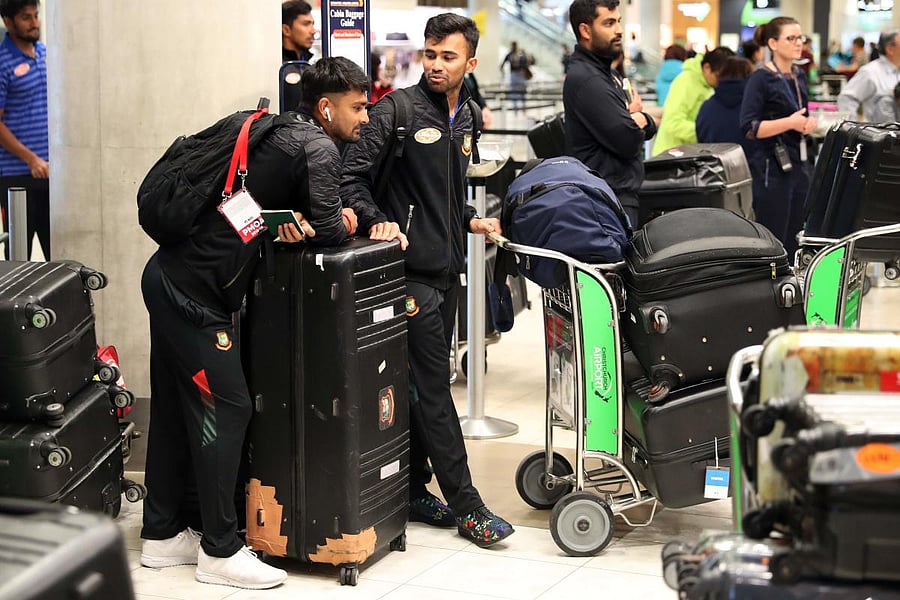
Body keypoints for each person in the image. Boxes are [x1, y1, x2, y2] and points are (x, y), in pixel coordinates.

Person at [139, 57, 367, 590]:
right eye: (358, 108)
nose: (364, 120)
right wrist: (335, 223)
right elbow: (334, 228)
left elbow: (251, 211)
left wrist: (288, 227)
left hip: (171, 279)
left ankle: (161, 535)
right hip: (193, 299)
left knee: (176, 408)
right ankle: (219, 548)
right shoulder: (318, 148)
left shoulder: (270, 129)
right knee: (230, 406)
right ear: (326, 106)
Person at [340, 13, 514, 549]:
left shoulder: (468, 117)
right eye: (431, 54)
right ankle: (468, 507)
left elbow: (445, 191)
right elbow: (351, 178)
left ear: (470, 62)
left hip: (448, 271)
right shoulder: (396, 109)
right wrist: (376, 221)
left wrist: (469, 219)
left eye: (448, 57)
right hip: (406, 276)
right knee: (437, 391)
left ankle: (414, 488)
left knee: (423, 389)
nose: (437, 65)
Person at [563, 0, 657, 226]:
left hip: (613, 196)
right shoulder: (589, 79)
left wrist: (638, 121)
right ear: (585, 30)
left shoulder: (602, 73)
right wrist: (642, 119)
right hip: (605, 202)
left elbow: (631, 128)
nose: (619, 30)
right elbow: (628, 139)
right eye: (609, 23)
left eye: (619, 22)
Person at [739, 17, 816, 259]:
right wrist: (790, 123)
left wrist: (808, 123)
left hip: (800, 164)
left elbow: (803, 112)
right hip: (771, 166)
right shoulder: (760, 78)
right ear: (773, 43)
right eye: (790, 38)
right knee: (774, 235)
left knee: (796, 232)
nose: (797, 44)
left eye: (800, 38)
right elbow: (750, 127)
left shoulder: (799, 75)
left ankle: (794, 287)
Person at [0, 0, 48, 260]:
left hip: (51, 174)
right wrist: (31, 159)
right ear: (8, 21)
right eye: (26, 18)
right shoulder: (2, 62)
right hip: (17, 177)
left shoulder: (45, 53)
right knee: (19, 259)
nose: (34, 23)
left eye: (36, 15)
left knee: (58, 254)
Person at [652, 46, 735, 155]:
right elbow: (673, 122)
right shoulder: (686, 81)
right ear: (707, 68)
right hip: (672, 156)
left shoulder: (707, 85)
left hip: (689, 153)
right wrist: (705, 132)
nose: (720, 81)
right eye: (718, 76)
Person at [696, 56, 755, 156]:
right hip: (749, 169)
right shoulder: (755, 107)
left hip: (714, 168)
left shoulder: (706, 107)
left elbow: (701, 137)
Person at [838, 31, 900, 123]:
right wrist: (852, 129)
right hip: (880, 134)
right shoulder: (871, 72)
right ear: (890, 49)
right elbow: (847, 98)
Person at [500, 40, 533, 110]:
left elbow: (502, 65)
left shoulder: (514, 54)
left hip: (516, 75)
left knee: (518, 92)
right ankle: (520, 107)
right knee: (518, 92)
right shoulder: (519, 54)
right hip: (518, 75)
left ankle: (519, 107)